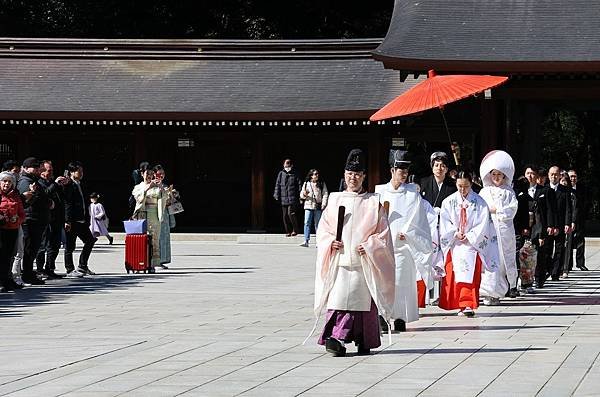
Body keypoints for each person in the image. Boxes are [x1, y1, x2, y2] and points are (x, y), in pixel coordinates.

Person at [310, 149, 395, 357]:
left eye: (357, 174)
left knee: (361, 301)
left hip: (363, 262)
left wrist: (369, 245)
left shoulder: (373, 202)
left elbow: (383, 234)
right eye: (349, 173)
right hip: (340, 261)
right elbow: (324, 230)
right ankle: (336, 338)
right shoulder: (335, 200)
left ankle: (362, 340)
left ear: (364, 176)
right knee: (340, 300)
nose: (353, 178)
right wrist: (331, 242)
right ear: (344, 175)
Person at [375, 150, 432, 332]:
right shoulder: (380, 192)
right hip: (384, 244)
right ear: (392, 170)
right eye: (400, 168)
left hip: (403, 244)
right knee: (384, 281)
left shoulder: (413, 193)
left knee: (401, 282)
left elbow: (420, 220)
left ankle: (400, 316)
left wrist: (408, 233)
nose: (404, 173)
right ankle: (382, 316)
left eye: (406, 169)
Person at [438, 171, 500, 317]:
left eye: (465, 186)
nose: (462, 189)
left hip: (472, 244)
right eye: (459, 186)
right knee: (453, 274)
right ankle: (456, 303)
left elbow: (483, 224)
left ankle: (467, 305)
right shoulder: (448, 201)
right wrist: (454, 232)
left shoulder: (480, 202)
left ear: (471, 184)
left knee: (470, 273)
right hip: (455, 244)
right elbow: (445, 222)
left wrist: (471, 236)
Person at [478, 151, 519, 304]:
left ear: (504, 176)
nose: (496, 177)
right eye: (493, 174)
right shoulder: (484, 192)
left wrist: (498, 211)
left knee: (502, 261)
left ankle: (498, 291)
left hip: (503, 229)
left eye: (499, 174)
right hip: (488, 230)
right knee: (487, 261)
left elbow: (512, 209)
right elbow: (480, 209)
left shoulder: (509, 192)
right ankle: (486, 291)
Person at [419, 151, 457, 304]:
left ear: (447, 169)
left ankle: (441, 294)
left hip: (445, 227)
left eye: (442, 166)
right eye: (436, 165)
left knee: (444, 257)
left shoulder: (452, 186)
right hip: (427, 226)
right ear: (432, 167)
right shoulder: (423, 183)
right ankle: (427, 294)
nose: (439, 168)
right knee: (427, 257)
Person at [17, 157, 51, 285]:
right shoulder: (25, 181)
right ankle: (27, 274)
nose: (37, 169)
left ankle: (29, 272)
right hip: (31, 219)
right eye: (34, 167)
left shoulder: (34, 180)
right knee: (29, 248)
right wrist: (35, 194)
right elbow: (27, 201)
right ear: (25, 168)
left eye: (38, 167)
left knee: (33, 248)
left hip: (37, 219)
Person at [63, 161, 97, 277]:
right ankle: (69, 269)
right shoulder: (68, 185)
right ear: (72, 172)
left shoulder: (80, 184)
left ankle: (82, 266)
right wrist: (67, 221)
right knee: (70, 246)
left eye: (82, 171)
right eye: (79, 171)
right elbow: (67, 204)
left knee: (90, 240)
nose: (81, 173)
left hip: (82, 220)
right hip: (73, 220)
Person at [132, 167, 166, 271]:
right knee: (144, 238)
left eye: (151, 174)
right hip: (143, 213)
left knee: (155, 238)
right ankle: (143, 261)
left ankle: (154, 262)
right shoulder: (139, 186)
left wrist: (161, 189)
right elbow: (137, 197)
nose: (149, 176)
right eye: (147, 174)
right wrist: (147, 188)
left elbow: (163, 198)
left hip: (155, 214)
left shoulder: (156, 186)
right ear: (142, 174)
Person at [0, 171, 26, 292]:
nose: (7, 183)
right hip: (1, 229)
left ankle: (7, 279)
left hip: (13, 229)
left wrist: (17, 219)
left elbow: (22, 214)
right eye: (4, 181)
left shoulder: (15, 195)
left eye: (9, 181)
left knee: (9, 256)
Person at [547, 166, 573, 281]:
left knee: (559, 249)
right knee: (547, 249)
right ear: (548, 175)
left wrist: (568, 223)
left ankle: (555, 272)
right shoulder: (545, 189)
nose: (554, 176)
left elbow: (568, 208)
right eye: (552, 174)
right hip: (547, 224)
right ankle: (547, 269)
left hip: (561, 223)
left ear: (559, 176)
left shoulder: (565, 190)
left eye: (556, 174)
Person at [299, 169, 329, 247]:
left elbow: (325, 194)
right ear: (311, 176)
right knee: (307, 223)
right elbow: (301, 195)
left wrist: (324, 204)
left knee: (318, 224)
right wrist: (304, 194)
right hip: (308, 205)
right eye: (315, 174)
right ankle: (306, 240)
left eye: (317, 174)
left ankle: (318, 241)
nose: (316, 175)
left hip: (317, 205)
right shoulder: (306, 183)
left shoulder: (321, 183)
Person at [273, 158, 302, 237]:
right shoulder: (281, 173)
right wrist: (276, 194)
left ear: (291, 165)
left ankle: (295, 229)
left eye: (288, 164)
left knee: (290, 214)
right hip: (283, 197)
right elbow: (277, 184)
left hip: (292, 197)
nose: (286, 165)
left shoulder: (295, 173)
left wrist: (301, 195)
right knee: (285, 215)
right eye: (285, 164)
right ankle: (288, 231)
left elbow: (299, 185)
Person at [153, 165, 174, 268]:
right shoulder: (151, 185)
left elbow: (169, 201)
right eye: (159, 173)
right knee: (156, 237)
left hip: (164, 214)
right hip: (154, 213)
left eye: (163, 173)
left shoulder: (165, 185)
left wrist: (171, 196)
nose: (161, 175)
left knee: (164, 236)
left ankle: (162, 259)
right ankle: (155, 259)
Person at [568, 169, 588, 271]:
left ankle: (580, 263)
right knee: (569, 242)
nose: (573, 178)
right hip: (568, 220)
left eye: (574, 176)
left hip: (579, 220)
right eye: (571, 176)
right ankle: (568, 264)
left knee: (580, 241)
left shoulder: (582, 189)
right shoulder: (565, 189)